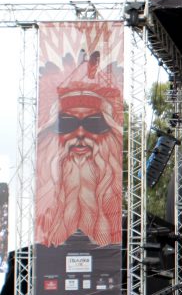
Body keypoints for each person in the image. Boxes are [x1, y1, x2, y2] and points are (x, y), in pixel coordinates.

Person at [34, 42, 124, 248]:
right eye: (67, 123)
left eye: (94, 123)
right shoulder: (43, 204)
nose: (81, 134)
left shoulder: (115, 201)